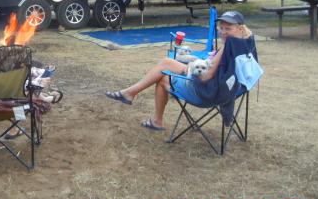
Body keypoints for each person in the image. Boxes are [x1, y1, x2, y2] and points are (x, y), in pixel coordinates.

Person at [105, 11, 255, 131]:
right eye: (221, 28)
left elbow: (205, 76)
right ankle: (133, 97)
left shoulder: (228, 46)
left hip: (206, 94)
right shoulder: (247, 43)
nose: (223, 32)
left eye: (228, 28)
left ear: (240, 28)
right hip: (231, 92)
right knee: (167, 66)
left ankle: (136, 100)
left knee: (164, 74)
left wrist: (188, 68)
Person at [0, 15, 60, 139]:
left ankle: (17, 126)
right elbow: (11, 84)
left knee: (21, 85)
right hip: (4, 104)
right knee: (25, 92)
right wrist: (39, 82)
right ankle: (18, 125)